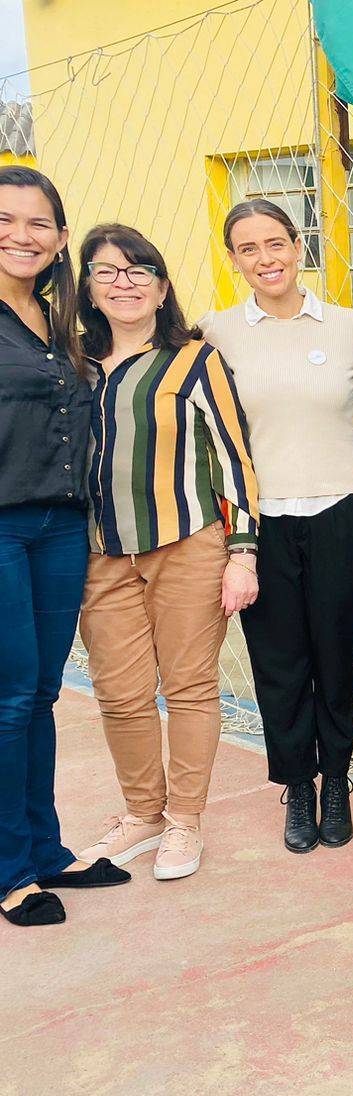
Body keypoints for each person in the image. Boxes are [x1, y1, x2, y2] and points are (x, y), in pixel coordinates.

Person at [73, 223, 260, 882]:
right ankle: (142, 813)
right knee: (120, 693)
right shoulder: (71, 363)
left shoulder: (194, 359)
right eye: (108, 271)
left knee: (188, 688)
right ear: (88, 287)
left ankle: (184, 820)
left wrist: (243, 552)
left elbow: (237, 459)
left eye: (139, 270)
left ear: (161, 286)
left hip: (187, 544)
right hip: (99, 552)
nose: (124, 283)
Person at [199, 199, 353, 853]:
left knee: (335, 658)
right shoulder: (215, 333)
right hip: (257, 525)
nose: (265, 259)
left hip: (339, 514)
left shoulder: (351, 327)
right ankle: (297, 787)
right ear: (233, 259)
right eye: (248, 249)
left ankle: (337, 783)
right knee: (279, 664)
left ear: (299, 246)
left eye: (275, 243)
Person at [0, 167, 132, 926]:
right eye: (8, 219)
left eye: (40, 223)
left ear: (58, 240)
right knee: (10, 695)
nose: (24, 235)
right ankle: (10, 865)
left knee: (40, 693)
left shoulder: (55, 325)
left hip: (57, 526)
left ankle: (45, 849)